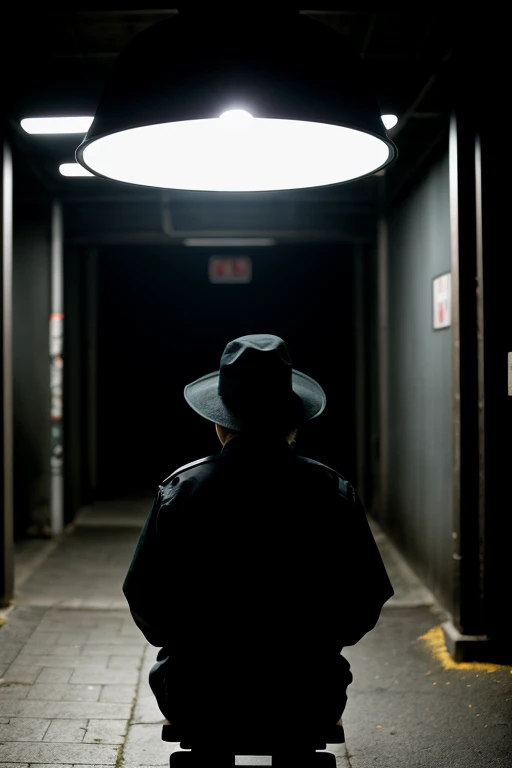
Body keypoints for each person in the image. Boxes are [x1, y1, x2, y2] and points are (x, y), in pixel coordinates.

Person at [122, 333, 393, 737]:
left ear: (220, 421)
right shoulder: (333, 492)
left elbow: (144, 595)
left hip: (197, 694)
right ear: (292, 418)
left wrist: (188, 642)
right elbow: (366, 597)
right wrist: (317, 646)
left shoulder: (180, 491)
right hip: (309, 696)